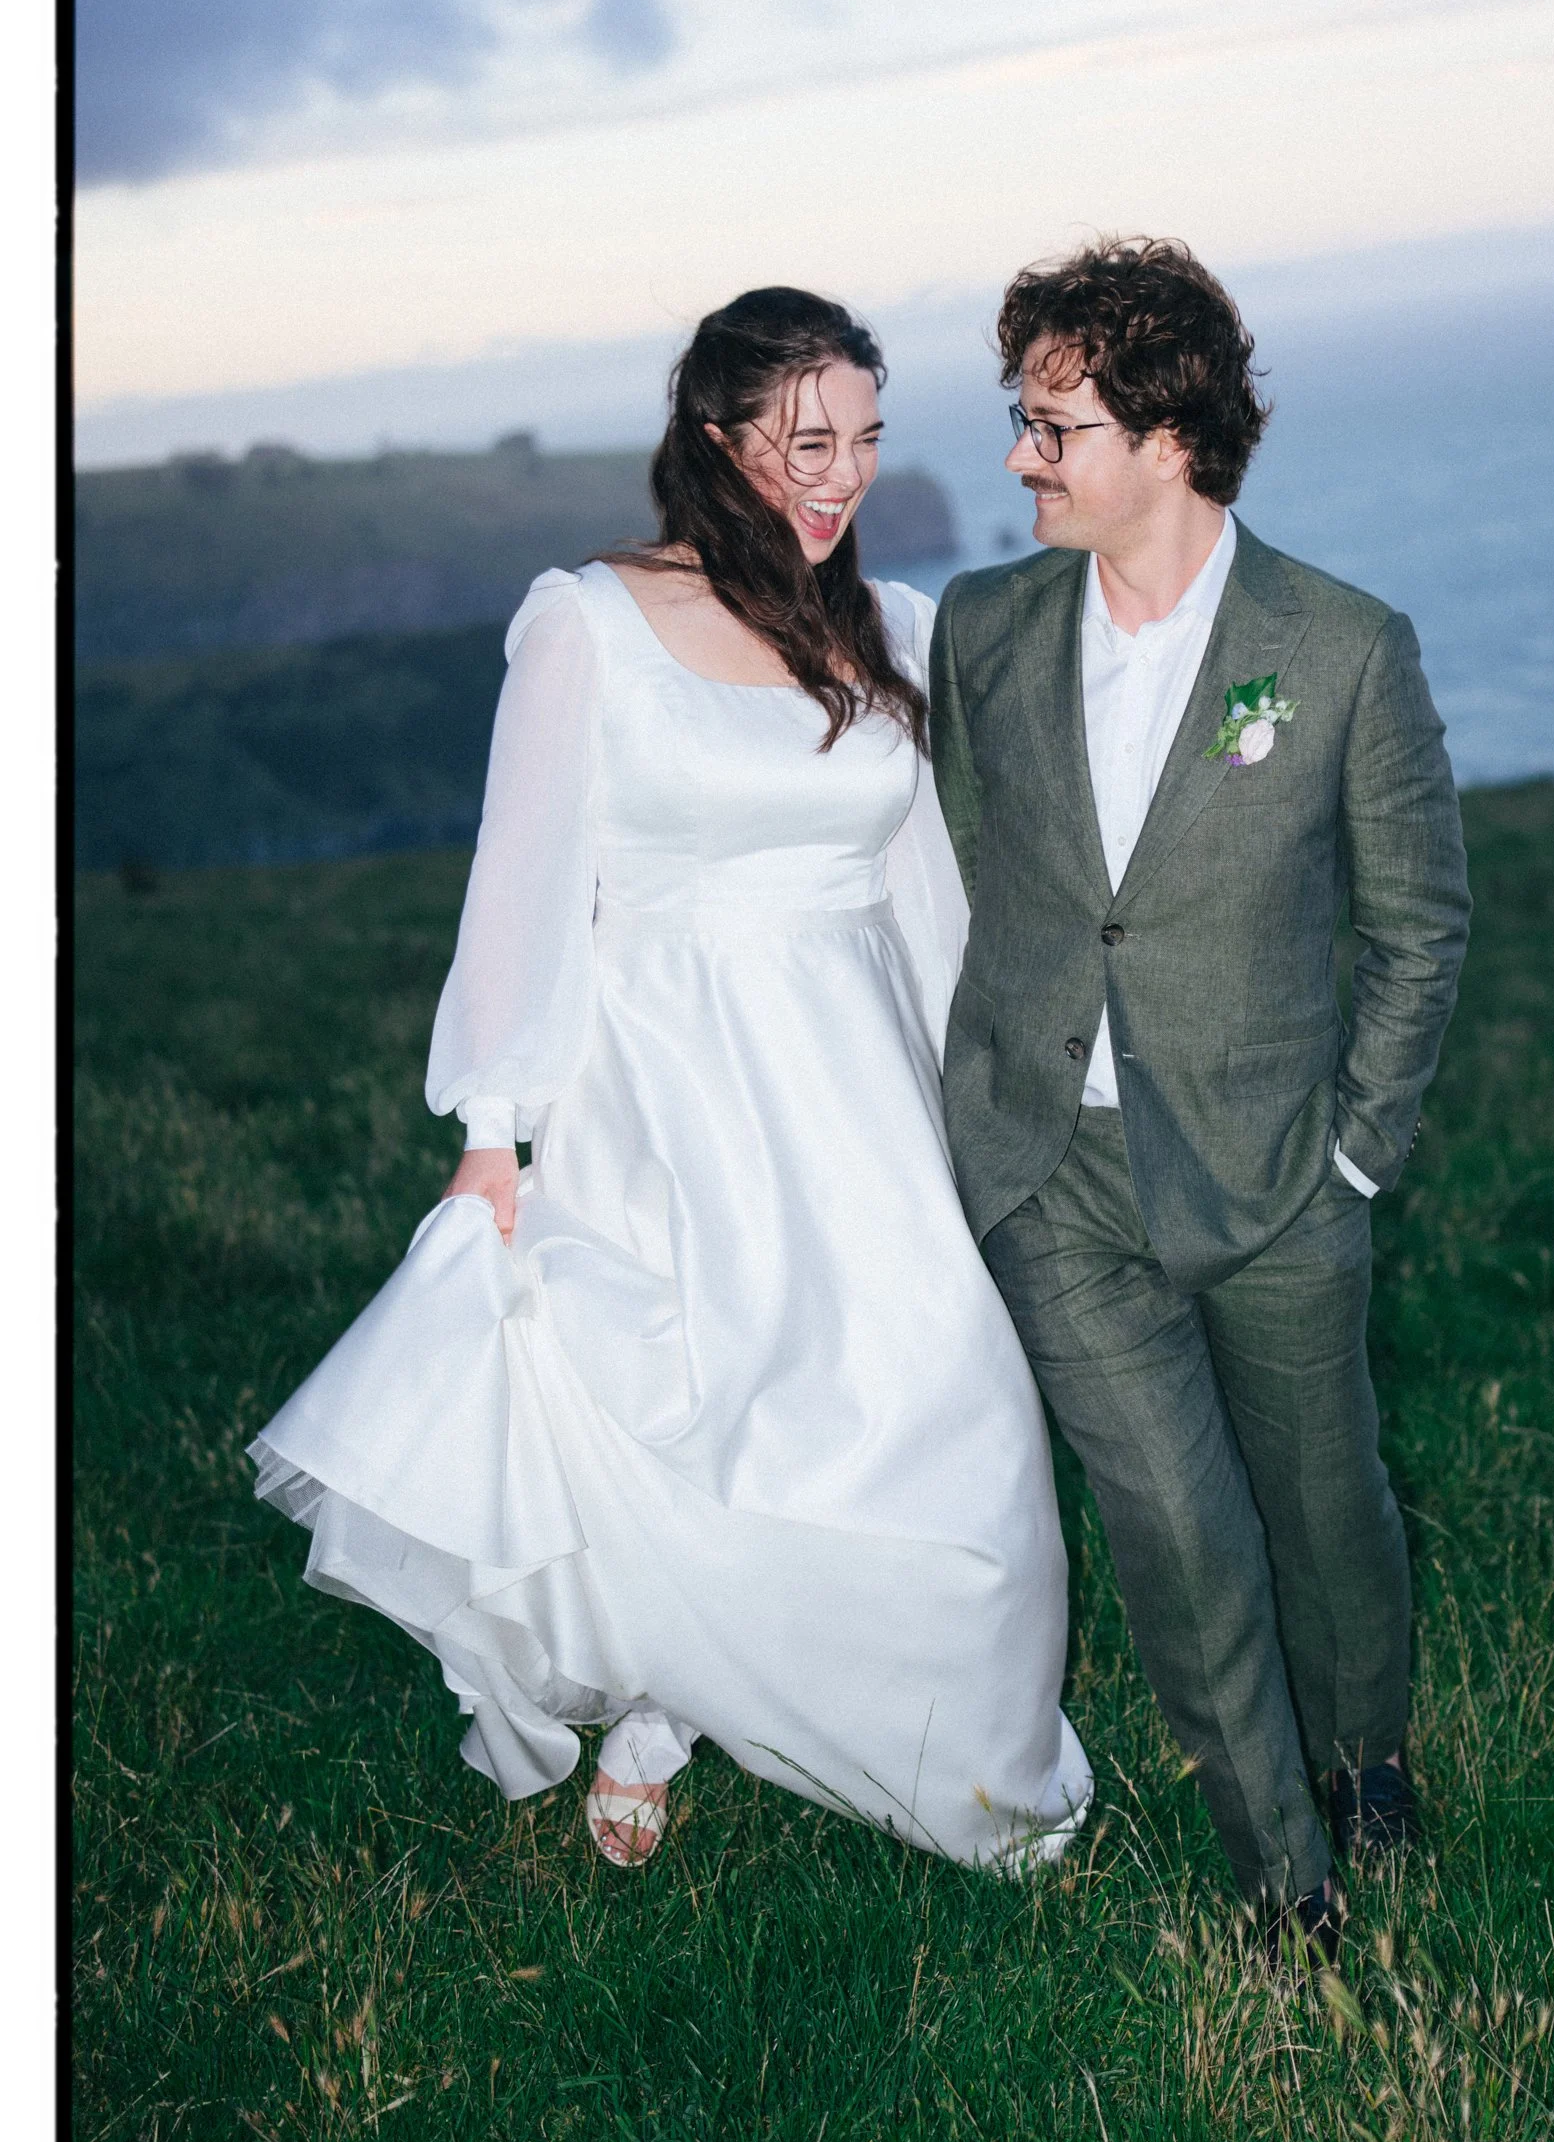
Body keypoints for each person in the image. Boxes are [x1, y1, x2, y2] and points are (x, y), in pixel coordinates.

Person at [252, 287, 1092, 1872]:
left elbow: (930, 887)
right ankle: (657, 1701)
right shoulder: (588, 622)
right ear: (716, 445)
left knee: (953, 1413)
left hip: (857, 1091)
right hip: (665, 1085)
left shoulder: (889, 627)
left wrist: (987, 1087)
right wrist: (496, 1132)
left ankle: (977, 1777)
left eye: (861, 440)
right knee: (695, 1418)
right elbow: (524, 879)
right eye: (802, 445)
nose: (838, 476)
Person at [929, 238, 1469, 1965]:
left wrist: (1358, 1154)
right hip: (1050, 1180)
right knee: (1175, 1531)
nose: (1022, 456)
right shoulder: (983, 630)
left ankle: (1367, 1761)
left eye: (1053, 425)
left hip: (1275, 1176)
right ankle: (1286, 1875)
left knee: (1324, 1510)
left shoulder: (1340, 648)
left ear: (1168, 440)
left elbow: (1416, 920)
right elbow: (967, 866)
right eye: (1019, 419)